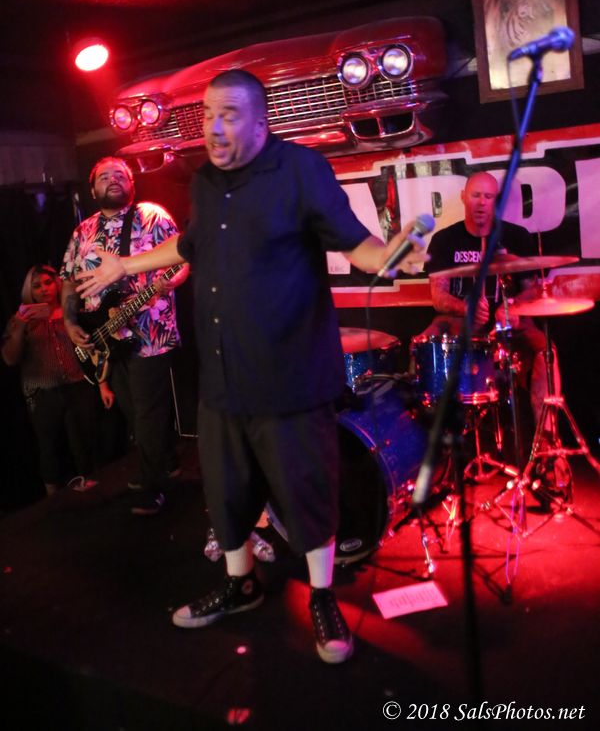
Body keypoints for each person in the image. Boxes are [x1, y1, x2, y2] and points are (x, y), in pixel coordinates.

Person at [73, 69, 425, 665]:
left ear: (262, 122)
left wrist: (390, 256)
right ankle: (240, 586)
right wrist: (124, 266)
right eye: (208, 114)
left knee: (307, 493)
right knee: (227, 492)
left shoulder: (301, 170)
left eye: (229, 114)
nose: (214, 126)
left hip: (291, 380)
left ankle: (322, 596)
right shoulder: (206, 182)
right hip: (222, 379)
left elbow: (356, 243)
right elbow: (190, 244)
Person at [60, 157, 189, 516]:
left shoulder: (152, 216)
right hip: (106, 336)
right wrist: (70, 322)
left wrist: (168, 283)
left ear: (132, 184)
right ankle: (167, 461)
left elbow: (182, 260)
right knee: (132, 409)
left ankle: (151, 486)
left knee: (148, 412)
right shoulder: (83, 231)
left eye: (121, 174)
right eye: (105, 176)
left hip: (150, 331)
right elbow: (68, 279)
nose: (113, 179)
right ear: (93, 189)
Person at [421, 171, 560, 442]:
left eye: (488, 196)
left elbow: (531, 290)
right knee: (424, 344)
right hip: (459, 321)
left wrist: (512, 308)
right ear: (464, 197)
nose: (482, 202)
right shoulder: (445, 240)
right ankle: (425, 439)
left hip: (509, 321)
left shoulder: (516, 236)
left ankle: (546, 442)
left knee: (546, 351)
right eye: (476, 195)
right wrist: (465, 308)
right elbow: (438, 296)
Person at [1, 264, 110, 495]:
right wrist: (20, 325)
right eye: (36, 285)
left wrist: (103, 384)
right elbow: (10, 358)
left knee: (86, 444)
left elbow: (94, 349)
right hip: (43, 393)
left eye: (48, 283)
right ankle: (52, 504)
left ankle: (93, 493)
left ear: (57, 283)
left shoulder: (71, 314)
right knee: (49, 449)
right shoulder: (21, 320)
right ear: (29, 289)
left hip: (78, 385)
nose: (43, 289)